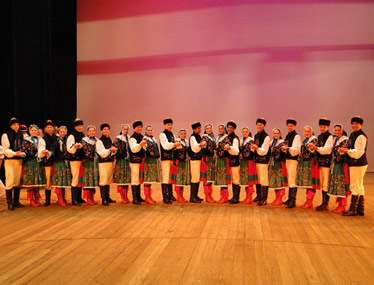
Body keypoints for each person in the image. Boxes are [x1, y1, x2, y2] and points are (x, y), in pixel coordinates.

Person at [340, 116, 368, 216]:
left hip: (358, 163)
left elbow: (359, 152)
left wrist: (347, 151)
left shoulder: (361, 136)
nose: (354, 125)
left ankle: (353, 209)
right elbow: (351, 148)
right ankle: (360, 209)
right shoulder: (353, 134)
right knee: (359, 185)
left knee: (354, 186)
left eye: (356, 124)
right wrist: (344, 149)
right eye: (353, 123)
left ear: (361, 125)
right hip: (356, 163)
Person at [308, 118, 334, 211]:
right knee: (322, 183)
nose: (322, 128)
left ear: (328, 127)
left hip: (326, 163)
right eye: (321, 127)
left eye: (324, 127)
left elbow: (327, 150)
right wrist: (312, 148)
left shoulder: (330, 137)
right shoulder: (319, 136)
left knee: (326, 183)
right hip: (320, 162)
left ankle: (325, 203)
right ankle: (324, 202)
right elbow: (318, 148)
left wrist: (316, 148)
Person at [1, 117, 25, 210]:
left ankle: (16, 201)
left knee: (17, 181)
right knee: (10, 181)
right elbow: (5, 150)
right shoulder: (6, 135)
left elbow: (22, 146)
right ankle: (9, 203)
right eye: (14, 124)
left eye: (17, 124)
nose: (16, 126)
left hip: (18, 160)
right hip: (10, 161)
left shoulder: (20, 134)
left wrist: (23, 152)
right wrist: (15, 153)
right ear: (11, 126)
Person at [20, 125, 46, 207]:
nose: (34, 131)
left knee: (36, 180)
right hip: (29, 161)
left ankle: (37, 199)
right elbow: (24, 150)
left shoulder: (40, 140)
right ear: (30, 131)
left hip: (37, 161)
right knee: (30, 180)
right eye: (32, 130)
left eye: (35, 130)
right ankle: (31, 199)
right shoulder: (26, 140)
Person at [327, 124, 349, 214]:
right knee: (337, 184)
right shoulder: (336, 139)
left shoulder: (345, 140)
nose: (336, 132)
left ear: (342, 131)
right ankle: (339, 205)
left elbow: (344, 151)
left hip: (341, 165)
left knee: (341, 185)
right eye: (335, 130)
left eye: (338, 130)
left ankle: (342, 205)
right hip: (335, 164)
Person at [297, 126, 320, 209]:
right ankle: (308, 201)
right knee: (308, 184)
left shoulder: (314, 140)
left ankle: (309, 201)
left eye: (308, 131)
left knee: (311, 183)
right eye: (305, 131)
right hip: (306, 162)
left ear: (311, 132)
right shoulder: (306, 140)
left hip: (311, 163)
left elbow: (312, 150)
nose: (306, 133)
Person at [281, 119, 301, 208]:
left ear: (295, 126)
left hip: (293, 159)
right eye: (288, 126)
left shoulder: (296, 136)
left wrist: (288, 148)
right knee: (289, 179)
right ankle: (290, 198)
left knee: (292, 179)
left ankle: (293, 200)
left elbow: (297, 150)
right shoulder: (288, 135)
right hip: (288, 159)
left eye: (291, 126)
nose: (289, 127)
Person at [159, 118, 180, 203]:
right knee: (165, 177)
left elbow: (175, 143)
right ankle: (165, 197)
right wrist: (174, 144)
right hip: (165, 159)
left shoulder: (172, 134)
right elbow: (165, 146)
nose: (170, 126)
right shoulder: (162, 134)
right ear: (164, 125)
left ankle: (170, 194)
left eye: (171, 124)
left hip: (171, 158)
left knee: (170, 177)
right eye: (168, 124)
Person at [96, 123, 117, 206]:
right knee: (103, 180)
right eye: (104, 129)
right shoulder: (99, 141)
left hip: (109, 162)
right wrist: (109, 150)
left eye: (107, 129)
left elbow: (110, 151)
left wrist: (113, 151)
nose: (106, 131)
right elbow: (101, 153)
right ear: (101, 131)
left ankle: (107, 197)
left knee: (108, 180)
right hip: (103, 163)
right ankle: (104, 199)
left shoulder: (109, 139)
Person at [251, 118, 271, 206]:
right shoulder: (256, 136)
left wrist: (257, 148)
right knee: (258, 178)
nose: (258, 126)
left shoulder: (266, 137)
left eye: (260, 125)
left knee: (264, 179)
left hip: (263, 160)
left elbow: (264, 150)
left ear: (264, 126)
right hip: (257, 160)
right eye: (257, 125)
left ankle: (264, 198)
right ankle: (259, 196)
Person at [67, 118, 86, 206]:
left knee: (80, 178)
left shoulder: (82, 135)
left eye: (81, 126)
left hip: (81, 159)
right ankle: (74, 199)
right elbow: (69, 149)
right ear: (75, 126)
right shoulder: (71, 136)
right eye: (78, 126)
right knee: (75, 178)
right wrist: (75, 147)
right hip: (74, 159)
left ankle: (79, 197)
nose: (79, 127)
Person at [52, 126, 72, 206]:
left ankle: (64, 198)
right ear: (59, 133)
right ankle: (60, 198)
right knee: (59, 181)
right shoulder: (57, 141)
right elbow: (53, 150)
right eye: (61, 132)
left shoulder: (68, 140)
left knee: (64, 181)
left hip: (66, 163)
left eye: (64, 132)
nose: (63, 133)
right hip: (59, 162)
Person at [129, 120, 147, 205]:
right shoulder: (132, 138)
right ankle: (135, 198)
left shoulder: (142, 136)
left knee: (139, 178)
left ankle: (139, 196)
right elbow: (133, 149)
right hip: (134, 161)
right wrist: (140, 144)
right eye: (138, 127)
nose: (139, 128)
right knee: (135, 178)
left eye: (140, 127)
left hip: (140, 160)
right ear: (134, 128)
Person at [113, 124, 131, 204]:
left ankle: (126, 196)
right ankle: (122, 196)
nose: (126, 130)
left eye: (127, 129)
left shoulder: (129, 138)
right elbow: (117, 150)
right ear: (122, 129)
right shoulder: (118, 139)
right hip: (121, 161)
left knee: (126, 180)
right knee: (121, 179)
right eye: (124, 129)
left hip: (127, 161)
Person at [269, 128, 288, 206]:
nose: (276, 135)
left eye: (277, 133)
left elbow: (285, 151)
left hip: (280, 164)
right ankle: (276, 198)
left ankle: (280, 199)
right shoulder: (272, 143)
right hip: (273, 164)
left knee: (280, 181)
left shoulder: (282, 142)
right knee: (275, 181)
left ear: (279, 134)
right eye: (274, 133)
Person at [82, 126, 100, 205]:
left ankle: (92, 197)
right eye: (90, 131)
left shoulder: (97, 140)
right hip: (88, 161)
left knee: (93, 179)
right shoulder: (84, 140)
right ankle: (88, 198)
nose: (92, 132)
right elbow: (85, 151)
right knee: (88, 179)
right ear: (87, 132)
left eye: (93, 131)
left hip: (95, 161)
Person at [41, 120, 58, 207]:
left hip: (57, 161)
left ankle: (61, 198)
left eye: (51, 127)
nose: (49, 129)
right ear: (45, 129)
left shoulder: (57, 138)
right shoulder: (43, 139)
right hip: (47, 161)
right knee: (48, 180)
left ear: (54, 128)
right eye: (48, 127)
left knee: (58, 179)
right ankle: (47, 200)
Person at [188, 122, 206, 203]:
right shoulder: (192, 137)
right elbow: (194, 147)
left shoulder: (198, 136)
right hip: (194, 159)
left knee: (197, 177)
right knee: (195, 177)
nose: (200, 129)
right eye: (198, 128)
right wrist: (200, 145)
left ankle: (195, 195)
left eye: (200, 128)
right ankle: (192, 197)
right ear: (194, 129)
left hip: (198, 159)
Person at [240, 127, 258, 204]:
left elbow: (253, 150)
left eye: (246, 132)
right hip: (244, 162)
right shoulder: (242, 140)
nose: (244, 133)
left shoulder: (251, 140)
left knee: (249, 180)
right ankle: (247, 196)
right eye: (243, 132)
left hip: (250, 161)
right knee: (246, 180)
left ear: (248, 132)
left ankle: (250, 197)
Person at [170, 129, 189, 203]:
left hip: (183, 162)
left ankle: (181, 196)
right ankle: (178, 196)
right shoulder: (177, 142)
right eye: (182, 133)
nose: (183, 135)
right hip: (178, 163)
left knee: (182, 179)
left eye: (184, 133)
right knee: (178, 180)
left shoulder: (186, 142)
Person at [143, 125, 160, 204]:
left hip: (153, 160)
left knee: (150, 180)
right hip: (148, 160)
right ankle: (147, 197)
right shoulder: (145, 139)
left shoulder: (153, 139)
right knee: (147, 179)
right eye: (148, 130)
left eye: (151, 130)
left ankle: (149, 196)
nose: (149, 131)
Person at [224, 121, 241, 204]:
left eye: (231, 127)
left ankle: (236, 197)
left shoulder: (235, 138)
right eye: (228, 127)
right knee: (232, 179)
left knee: (235, 179)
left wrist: (229, 148)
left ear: (234, 128)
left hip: (235, 161)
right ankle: (234, 196)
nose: (229, 129)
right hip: (229, 161)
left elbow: (236, 151)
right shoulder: (227, 137)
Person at [215, 124, 231, 203]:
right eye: (219, 128)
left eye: (222, 129)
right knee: (221, 178)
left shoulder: (226, 138)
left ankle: (225, 197)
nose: (220, 130)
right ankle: (223, 196)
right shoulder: (218, 137)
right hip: (219, 159)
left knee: (223, 178)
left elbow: (228, 145)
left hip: (224, 159)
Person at [200, 123, 216, 203]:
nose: (209, 129)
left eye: (210, 128)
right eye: (207, 128)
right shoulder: (204, 137)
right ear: (205, 130)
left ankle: (210, 195)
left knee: (210, 178)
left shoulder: (213, 137)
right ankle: (207, 196)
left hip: (211, 159)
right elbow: (203, 145)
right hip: (206, 159)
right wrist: (203, 145)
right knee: (206, 178)